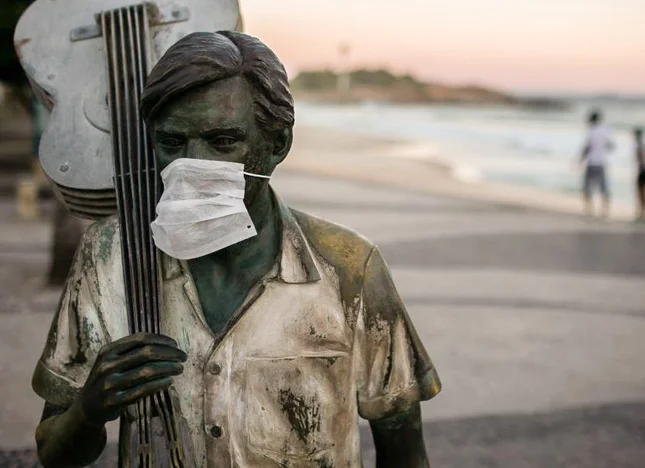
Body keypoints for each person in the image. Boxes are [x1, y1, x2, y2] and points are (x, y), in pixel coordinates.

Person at [31, 31, 441, 468]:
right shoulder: (107, 256)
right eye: (172, 143)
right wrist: (89, 411)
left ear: (278, 143)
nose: (193, 165)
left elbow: (405, 452)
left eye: (223, 142)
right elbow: (55, 452)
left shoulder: (349, 267)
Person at [579, 109, 615, 218]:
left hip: (591, 162)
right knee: (603, 188)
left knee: (587, 187)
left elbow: (587, 147)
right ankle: (605, 211)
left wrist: (580, 159)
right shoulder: (605, 130)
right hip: (601, 162)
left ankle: (589, 210)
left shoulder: (591, 131)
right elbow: (611, 146)